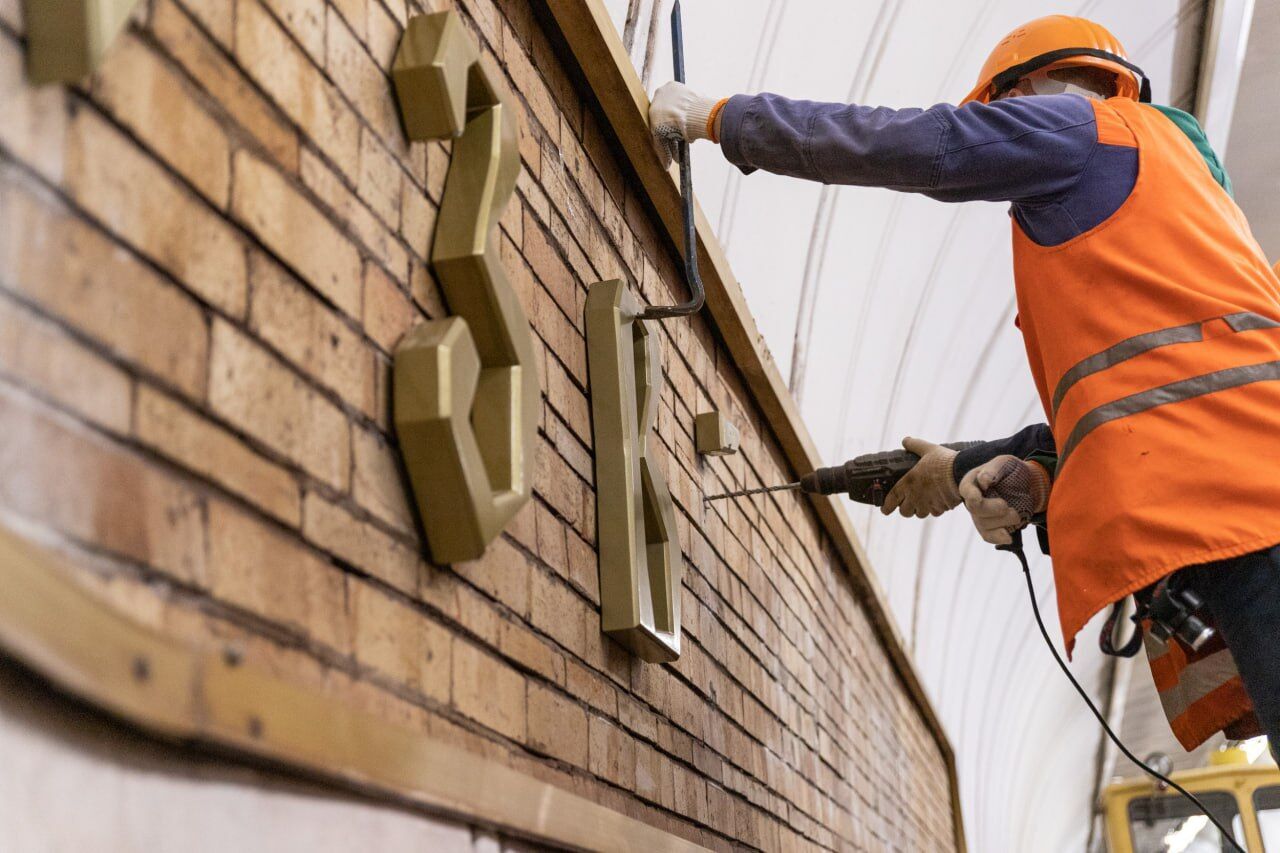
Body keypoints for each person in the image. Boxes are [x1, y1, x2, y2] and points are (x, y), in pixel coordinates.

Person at [650, 16, 1280, 756]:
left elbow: (923, 145)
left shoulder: (1082, 129)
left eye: (1001, 115)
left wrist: (721, 121)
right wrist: (979, 465)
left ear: (1032, 90)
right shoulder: (1167, 199)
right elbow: (1145, 415)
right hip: (1243, 506)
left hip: (1253, 516)